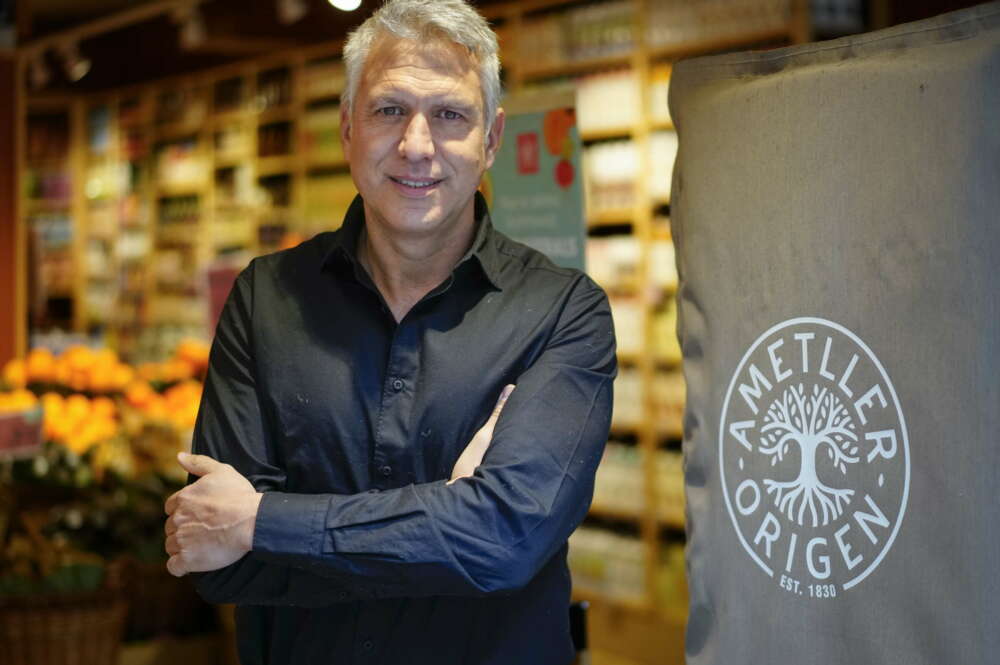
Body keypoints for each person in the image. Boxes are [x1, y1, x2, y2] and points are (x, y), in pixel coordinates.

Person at [162, 0, 616, 663]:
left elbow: (505, 540)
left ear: (491, 140)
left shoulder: (562, 313)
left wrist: (262, 521)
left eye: (450, 115)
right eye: (388, 110)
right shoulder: (265, 299)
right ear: (347, 129)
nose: (417, 144)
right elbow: (221, 565)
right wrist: (447, 520)